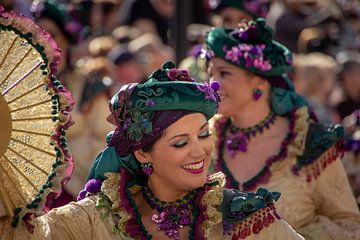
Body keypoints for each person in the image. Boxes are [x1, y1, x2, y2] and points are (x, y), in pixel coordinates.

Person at [0, 60, 304, 239]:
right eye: (180, 143)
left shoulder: (242, 217)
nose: (199, 151)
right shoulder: (96, 218)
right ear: (143, 153)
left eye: (202, 135)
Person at [204, 18, 360, 239]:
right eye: (211, 73)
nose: (212, 83)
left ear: (259, 81)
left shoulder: (308, 144)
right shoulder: (203, 141)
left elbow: (351, 226)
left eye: (224, 73)